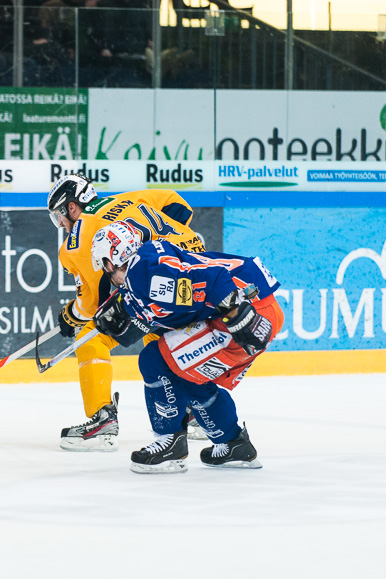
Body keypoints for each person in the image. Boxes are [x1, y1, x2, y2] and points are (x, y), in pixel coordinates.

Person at [90, 221, 283, 473]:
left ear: (109, 261)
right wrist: (126, 308)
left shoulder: (142, 276)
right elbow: (183, 302)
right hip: (258, 307)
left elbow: (213, 280)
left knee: (154, 360)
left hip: (246, 312)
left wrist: (237, 315)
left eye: (104, 268)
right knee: (186, 373)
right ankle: (234, 444)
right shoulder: (148, 259)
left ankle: (170, 443)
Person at [46, 175, 205, 451]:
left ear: (72, 207)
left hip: (157, 284)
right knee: (159, 334)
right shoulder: (128, 198)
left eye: (59, 214)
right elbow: (178, 204)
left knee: (91, 336)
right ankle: (194, 413)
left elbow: (90, 305)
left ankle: (102, 420)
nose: (60, 223)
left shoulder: (77, 238)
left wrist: (70, 316)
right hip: (195, 268)